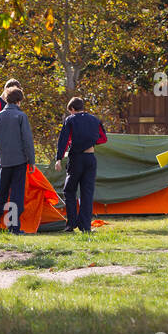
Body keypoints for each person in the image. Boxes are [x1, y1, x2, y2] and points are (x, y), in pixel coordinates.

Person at [54, 97, 108, 233]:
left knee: (69, 190)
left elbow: (64, 140)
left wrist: (59, 158)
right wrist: (90, 141)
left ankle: (71, 223)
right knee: (87, 193)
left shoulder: (70, 120)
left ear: (72, 109)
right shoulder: (94, 120)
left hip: (76, 158)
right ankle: (85, 226)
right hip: (90, 158)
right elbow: (103, 138)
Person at [0, 87, 33, 233]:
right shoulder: (21, 116)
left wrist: (0, 150)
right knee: (16, 194)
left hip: (3, 160)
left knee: (2, 192)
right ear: (19, 101)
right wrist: (31, 160)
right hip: (19, 160)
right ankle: (13, 226)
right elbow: (27, 140)